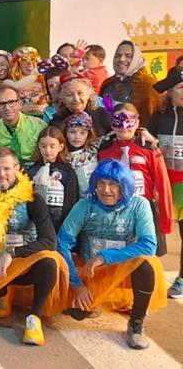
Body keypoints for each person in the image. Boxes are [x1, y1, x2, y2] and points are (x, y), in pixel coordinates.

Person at [0, 147, 68, 346]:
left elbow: (49, 241)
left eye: (6, 169)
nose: (1, 174)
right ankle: (5, 291)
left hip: (24, 260)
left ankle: (34, 318)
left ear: (17, 169)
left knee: (49, 261)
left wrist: (12, 253)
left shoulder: (33, 198)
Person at [57, 160, 167, 349]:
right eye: (101, 183)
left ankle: (137, 322)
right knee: (77, 312)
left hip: (123, 268)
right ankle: (96, 299)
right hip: (90, 271)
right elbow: (62, 242)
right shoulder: (85, 204)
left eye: (113, 184)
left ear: (124, 186)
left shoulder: (139, 204)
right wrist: (76, 284)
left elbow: (148, 245)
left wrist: (104, 257)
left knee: (147, 264)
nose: (106, 190)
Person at [99, 103, 173, 255]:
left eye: (129, 121)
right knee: (118, 254)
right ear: (111, 123)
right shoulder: (104, 149)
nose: (124, 126)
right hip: (114, 210)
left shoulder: (149, 148)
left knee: (147, 256)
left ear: (137, 122)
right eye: (118, 121)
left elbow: (162, 184)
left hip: (144, 207)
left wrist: (165, 221)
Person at [148, 66, 183, 297]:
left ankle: (181, 277)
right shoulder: (159, 115)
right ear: (170, 91)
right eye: (181, 87)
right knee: (154, 230)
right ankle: (149, 276)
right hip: (162, 181)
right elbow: (148, 140)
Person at [27, 127, 80, 230]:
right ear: (38, 146)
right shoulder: (32, 171)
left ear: (60, 147)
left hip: (59, 224)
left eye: (52, 146)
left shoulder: (67, 172)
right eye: (43, 146)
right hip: (36, 225)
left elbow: (71, 202)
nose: (47, 150)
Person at [100, 41, 162, 126]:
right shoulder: (107, 84)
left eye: (128, 56)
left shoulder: (149, 85)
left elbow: (154, 120)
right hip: (107, 137)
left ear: (137, 59)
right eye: (118, 56)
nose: (121, 59)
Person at [0, 86, 48, 163]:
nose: (7, 108)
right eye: (1, 104)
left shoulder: (39, 126)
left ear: (20, 103)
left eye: (11, 102)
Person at [4, 47, 48, 117]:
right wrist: (37, 75)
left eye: (33, 59)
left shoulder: (43, 80)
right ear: (17, 63)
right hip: (21, 121)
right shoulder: (8, 82)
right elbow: (17, 86)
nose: (30, 63)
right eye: (25, 60)